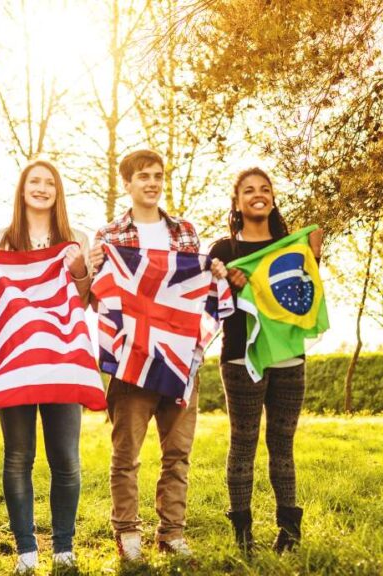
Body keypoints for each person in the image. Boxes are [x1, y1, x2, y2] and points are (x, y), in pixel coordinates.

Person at [88, 149, 209, 562]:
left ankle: (171, 533)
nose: (152, 182)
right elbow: (94, 301)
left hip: (179, 361)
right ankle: (128, 534)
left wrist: (219, 277)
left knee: (177, 454)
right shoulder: (109, 237)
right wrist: (90, 270)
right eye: (143, 176)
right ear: (127, 183)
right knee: (127, 455)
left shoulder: (187, 233)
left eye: (158, 175)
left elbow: (198, 294)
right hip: (132, 362)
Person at [206, 167, 322, 554]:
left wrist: (314, 257)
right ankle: (243, 535)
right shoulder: (224, 251)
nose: (259, 195)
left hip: (289, 356)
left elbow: (304, 298)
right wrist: (223, 279)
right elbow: (208, 304)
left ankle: (289, 532)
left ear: (273, 198)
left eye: (266, 189)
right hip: (242, 359)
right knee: (243, 442)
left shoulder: (293, 246)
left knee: (282, 444)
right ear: (237, 202)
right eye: (249, 190)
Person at [0, 160, 90, 573]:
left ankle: (63, 548)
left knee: (66, 458)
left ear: (58, 192)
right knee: (18, 457)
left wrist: (79, 267)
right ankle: (26, 550)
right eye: (35, 181)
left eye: (50, 182)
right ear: (22, 188)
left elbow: (83, 301)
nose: (42, 188)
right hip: (15, 363)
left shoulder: (77, 238)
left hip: (64, 362)